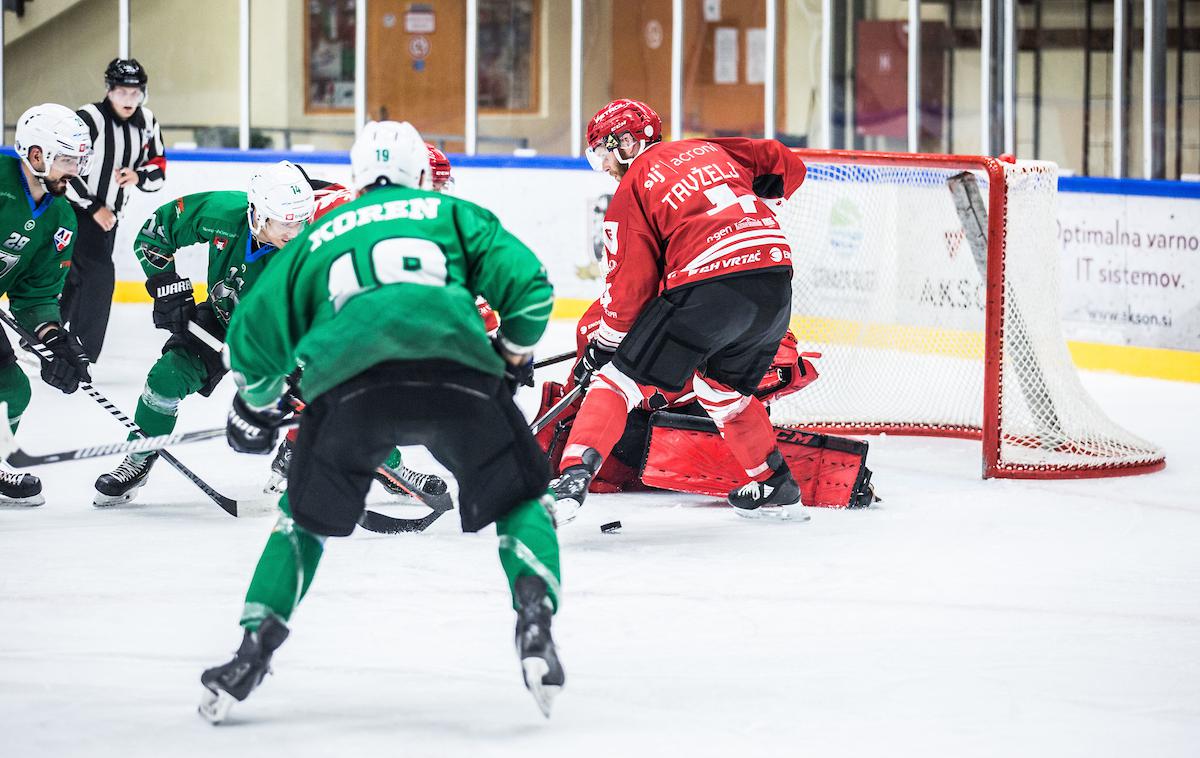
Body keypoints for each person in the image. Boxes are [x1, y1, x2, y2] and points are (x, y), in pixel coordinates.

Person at [197, 121, 563, 723]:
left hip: (347, 392)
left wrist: (256, 404)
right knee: (523, 500)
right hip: (459, 377)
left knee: (301, 525)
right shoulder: (453, 214)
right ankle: (534, 622)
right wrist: (513, 356)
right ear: (422, 173)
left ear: (356, 177)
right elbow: (531, 291)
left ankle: (250, 654)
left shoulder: (318, 234)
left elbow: (253, 337)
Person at [550, 98, 808, 524]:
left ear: (624, 143)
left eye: (602, 156)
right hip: (775, 280)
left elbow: (629, 291)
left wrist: (605, 347)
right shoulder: (708, 148)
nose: (607, 169)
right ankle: (774, 482)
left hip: (710, 286)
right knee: (722, 390)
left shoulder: (632, 189)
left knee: (615, 382)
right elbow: (783, 162)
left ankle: (571, 479)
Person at [91, 161, 315, 506]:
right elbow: (155, 232)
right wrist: (167, 286)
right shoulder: (224, 213)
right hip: (221, 323)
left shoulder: (312, 253)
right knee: (165, 379)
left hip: (282, 340)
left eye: (301, 221)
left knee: (326, 392)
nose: (295, 231)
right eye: (285, 222)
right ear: (257, 215)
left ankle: (385, 469)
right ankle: (140, 457)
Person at [0, 104, 94, 505]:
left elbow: (36, 295)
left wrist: (53, 339)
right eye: (67, 159)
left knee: (13, 389)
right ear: (36, 155)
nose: (74, 170)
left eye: (79, 160)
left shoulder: (61, 218)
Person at [63, 58, 166, 362]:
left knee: (73, 278)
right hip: (74, 211)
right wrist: (94, 206)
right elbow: (64, 166)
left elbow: (158, 167)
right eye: (122, 92)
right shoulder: (89, 117)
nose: (129, 100)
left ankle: (42, 338)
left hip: (110, 218)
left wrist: (138, 176)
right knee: (99, 275)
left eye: (135, 93)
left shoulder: (147, 122)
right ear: (109, 90)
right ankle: (78, 353)